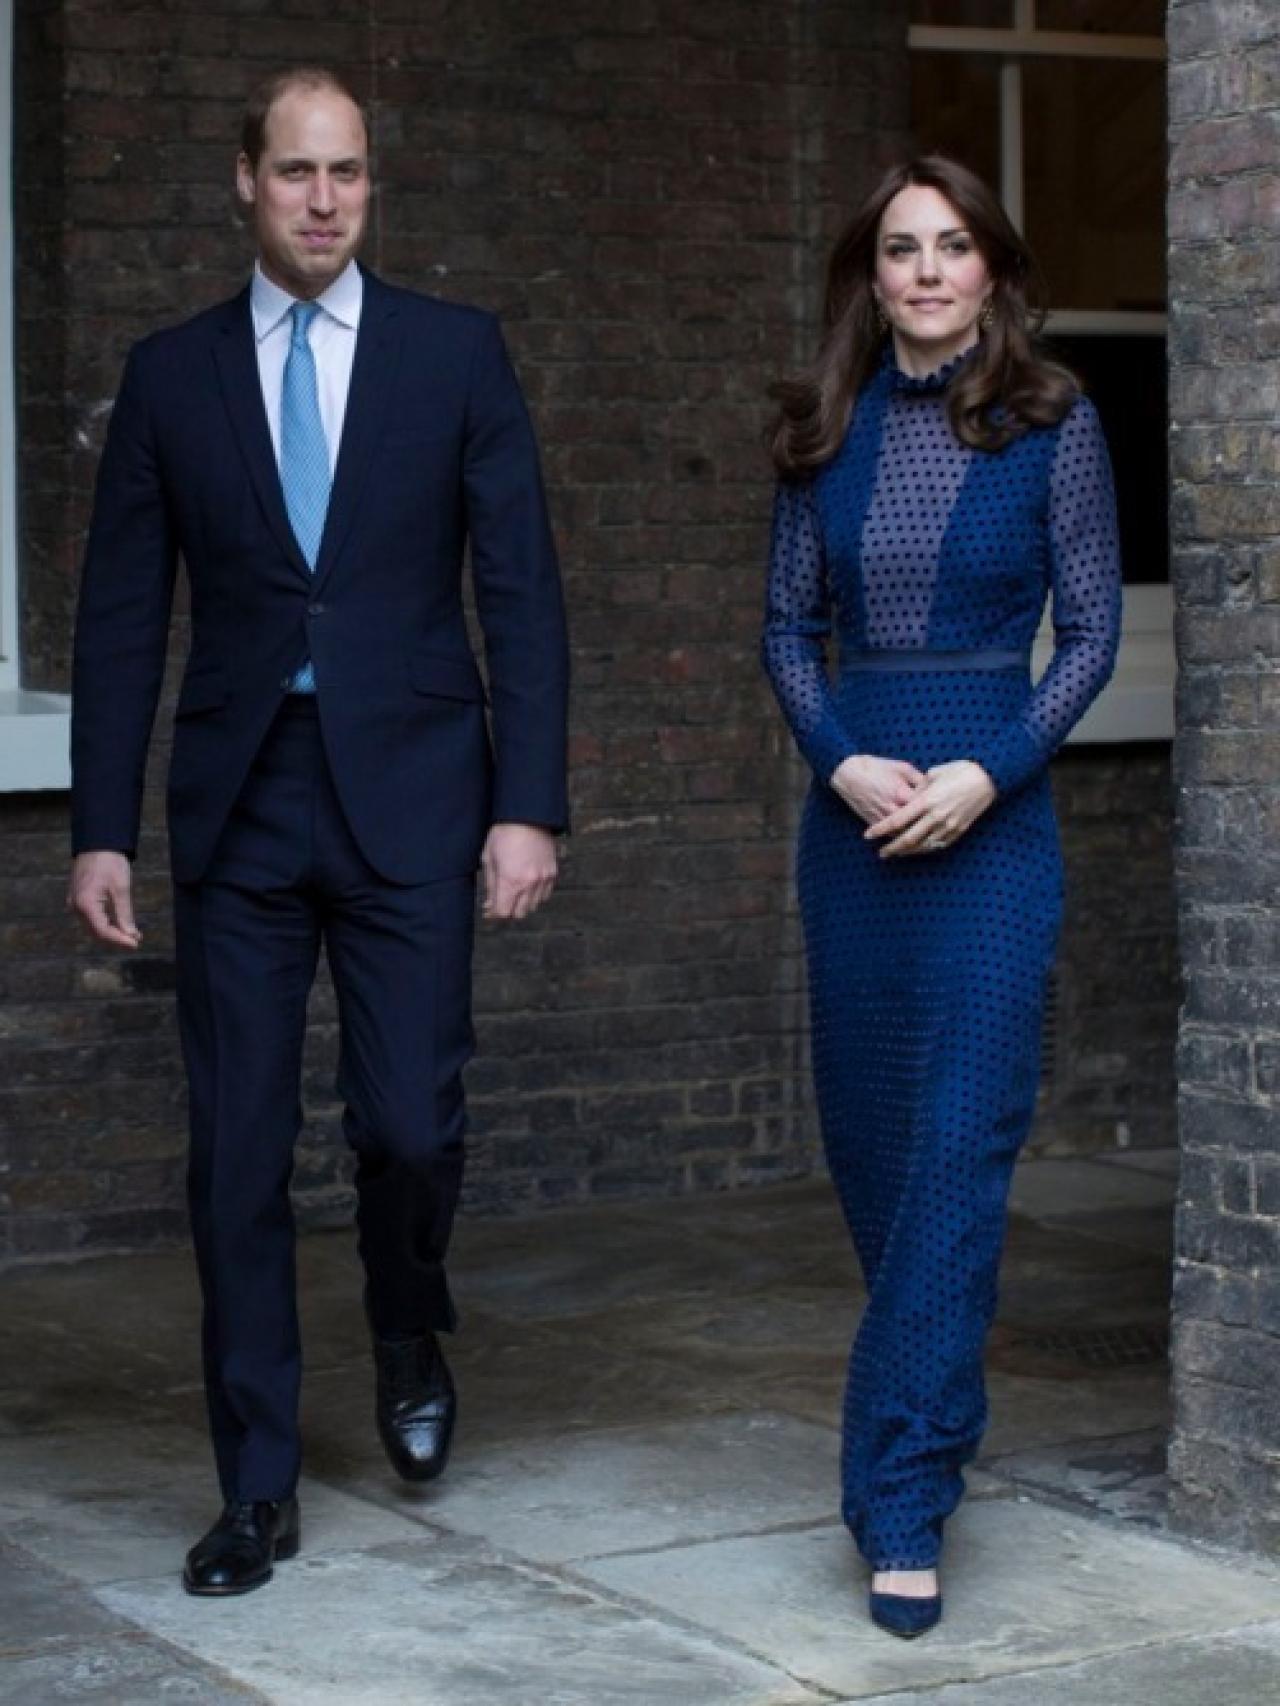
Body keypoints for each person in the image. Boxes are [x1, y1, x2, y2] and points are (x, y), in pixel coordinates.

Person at [67, 66, 569, 1597]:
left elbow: (521, 594)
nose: (325, 199)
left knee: (410, 1125)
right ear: (246, 180)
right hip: (240, 807)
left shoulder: (454, 354)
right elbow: (119, 618)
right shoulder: (171, 375)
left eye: (347, 171)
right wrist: (101, 826)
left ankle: (407, 1318)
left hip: (415, 791)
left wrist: (526, 803)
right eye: (297, 171)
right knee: (235, 1154)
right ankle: (256, 1484)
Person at [762, 155, 1121, 1638]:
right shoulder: (823, 427)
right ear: (873, 273)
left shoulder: (1054, 421)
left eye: (952, 247)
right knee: (875, 1160)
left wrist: (989, 771)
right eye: (902, 249)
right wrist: (843, 762)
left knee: (959, 1159)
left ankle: (903, 1495)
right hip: (856, 838)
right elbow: (786, 630)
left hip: (992, 833)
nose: (925, 272)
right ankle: (930, 1408)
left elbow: (1090, 636)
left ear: (993, 271)